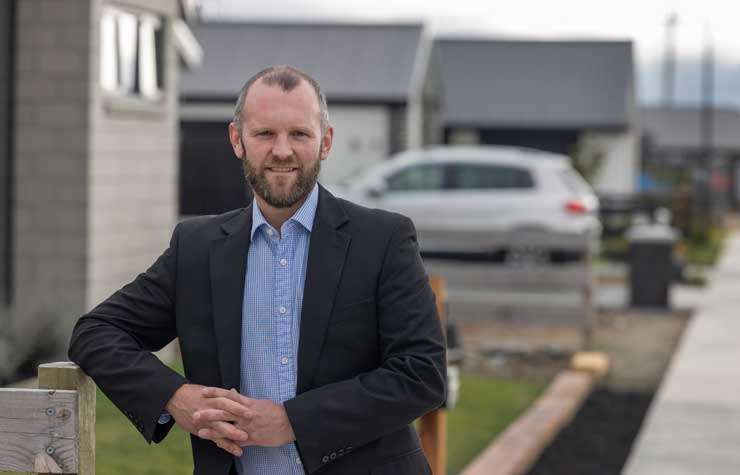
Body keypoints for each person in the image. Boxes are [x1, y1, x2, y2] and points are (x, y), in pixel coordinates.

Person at [68, 65, 446, 475]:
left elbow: (422, 373)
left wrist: (293, 422)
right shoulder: (197, 248)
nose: (282, 151)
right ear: (237, 139)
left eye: (299, 134)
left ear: (326, 141)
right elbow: (96, 332)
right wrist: (175, 396)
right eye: (265, 133)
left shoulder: (383, 239)